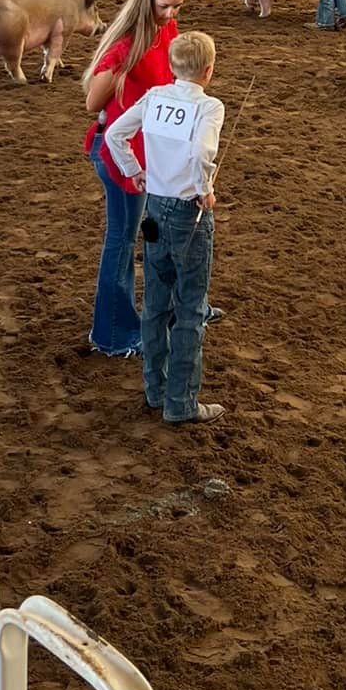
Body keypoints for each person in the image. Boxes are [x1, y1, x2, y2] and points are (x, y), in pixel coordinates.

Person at [104, 31, 226, 427]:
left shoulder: (154, 98)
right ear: (208, 70)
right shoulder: (210, 107)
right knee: (190, 308)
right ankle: (182, 402)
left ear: (173, 67)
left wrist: (134, 171)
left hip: (155, 205)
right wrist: (205, 190)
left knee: (156, 302)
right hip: (188, 210)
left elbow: (114, 133)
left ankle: (155, 390)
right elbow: (202, 152)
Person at [81, 0, 186, 358]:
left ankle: (148, 318)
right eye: (165, 7)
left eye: (176, 7)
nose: (171, 15)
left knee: (134, 238)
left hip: (147, 154)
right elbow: (93, 102)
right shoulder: (125, 46)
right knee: (122, 242)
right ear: (148, 2)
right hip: (122, 156)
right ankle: (112, 334)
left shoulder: (166, 32)